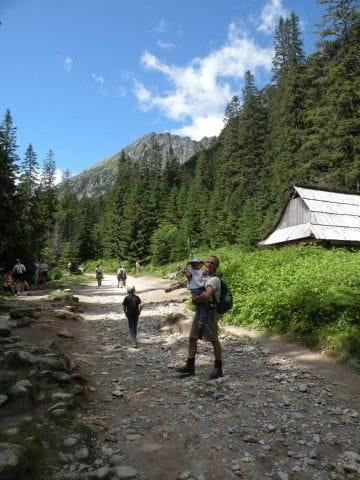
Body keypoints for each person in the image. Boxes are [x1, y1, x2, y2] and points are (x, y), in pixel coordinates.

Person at [176, 255, 223, 380]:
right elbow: (190, 277)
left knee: (214, 340)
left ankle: (218, 368)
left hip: (210, 313)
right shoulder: (203, 276)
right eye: (207, 261)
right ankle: (190, 366)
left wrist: (195, 299)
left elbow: (207, 296)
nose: (208, 264)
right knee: (192, 338)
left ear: (216, 266)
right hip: (200, 311)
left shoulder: (213, 280)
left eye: (212, 263)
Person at [181, 258, 208, 330]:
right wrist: (186, 264)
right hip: (195, 289)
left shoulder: (202, 271)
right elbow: (183, 271)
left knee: (201, 304)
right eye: (194, 264)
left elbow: (208, 271)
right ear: (192, 265)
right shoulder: (191, 272)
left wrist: (204, 263)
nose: (196, 265)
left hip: (202, 288)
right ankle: (201, 320)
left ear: (200, 265)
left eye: (198, 264)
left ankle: (199, 320)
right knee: (202, 303)